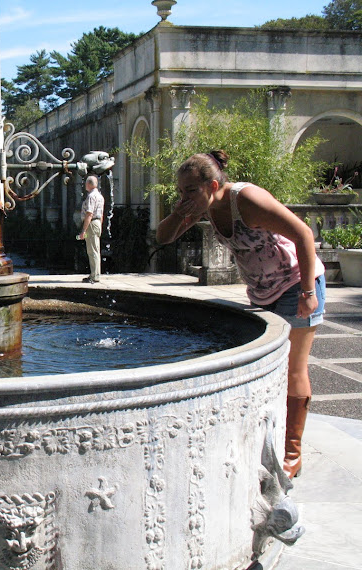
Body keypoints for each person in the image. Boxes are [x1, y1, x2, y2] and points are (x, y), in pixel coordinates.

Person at [157, 150, 325, 480]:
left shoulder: (246, 200)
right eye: (180, 191)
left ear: (213, 184)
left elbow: (304, 234)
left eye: (190, 190)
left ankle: (293, 453)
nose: (185, 197)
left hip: (296, 286)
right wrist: (179, 212)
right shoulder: (204, 206)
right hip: (262, 293)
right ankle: (267, 439)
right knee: (264, 368)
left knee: (294, 367)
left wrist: (307, 293)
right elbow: (164, 237)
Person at [78, 175, 105, 284]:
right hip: (97, 223)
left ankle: (94, 276)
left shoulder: (91, 196)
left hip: (91, 223)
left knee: (92, 250)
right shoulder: (100, 196)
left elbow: (89, 213)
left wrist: (84, 230)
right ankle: (94, 274)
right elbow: (101, 214)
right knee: (95, 249)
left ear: (89, 184)